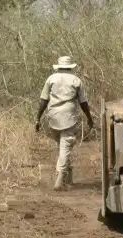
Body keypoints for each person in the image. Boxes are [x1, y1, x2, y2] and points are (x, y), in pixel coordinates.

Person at [35, 56, 94, 190]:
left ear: (59, 66)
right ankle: (60, 180)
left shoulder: (51, 79)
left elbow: (43, 100)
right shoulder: (76, 80)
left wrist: (38, 118)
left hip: (53, 117)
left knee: (62, 147)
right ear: (71, 67)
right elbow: (83, 102)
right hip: (68, 117)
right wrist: (89, 118)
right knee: (65, 147)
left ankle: (67, 178)